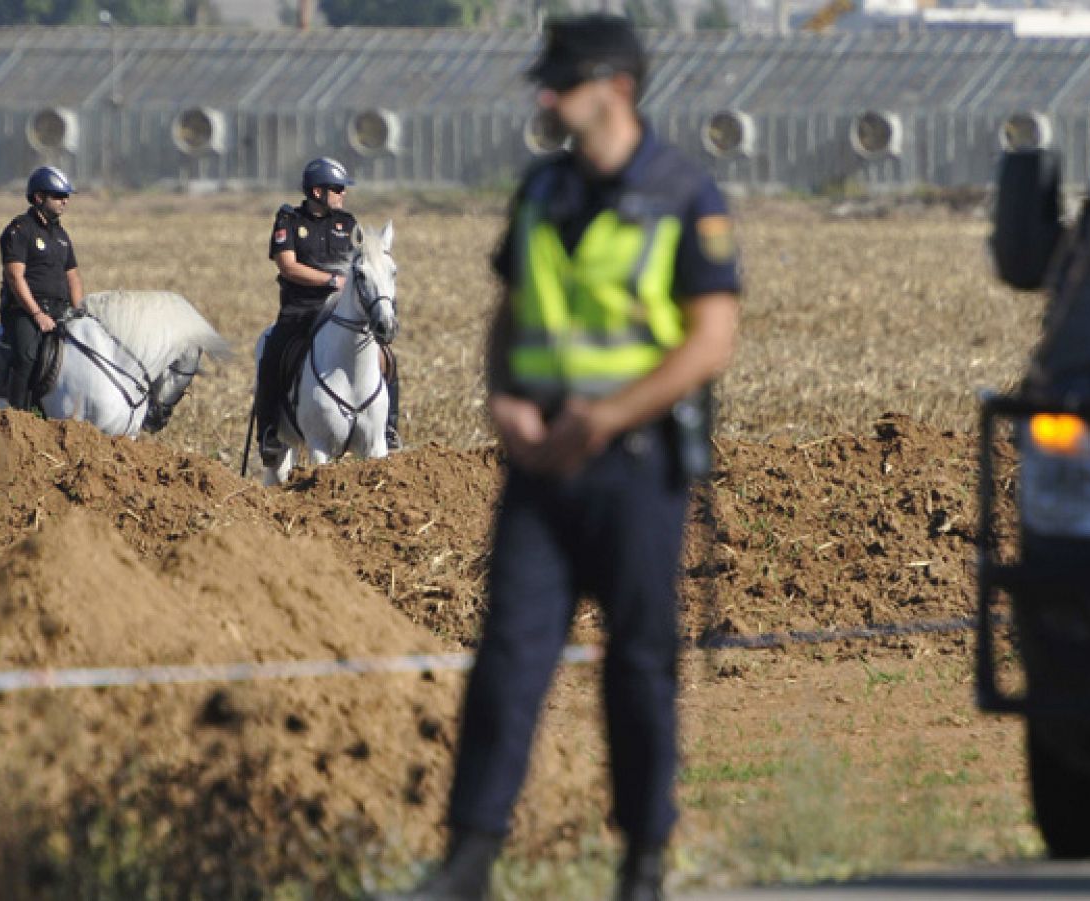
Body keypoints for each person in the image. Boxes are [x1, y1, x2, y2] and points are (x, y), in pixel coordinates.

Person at [379, 15, 740, 901]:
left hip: (637, 468)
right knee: (508, 654)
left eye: (562, 83)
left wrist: (609, 415)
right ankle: (468, 858)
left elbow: (710, 340)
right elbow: (510, 312)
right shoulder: (542, 191)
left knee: (640, 663)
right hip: (540, 467)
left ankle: (643, 860)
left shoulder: (685, 195)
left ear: (614, 88)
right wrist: (502, 396)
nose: (545, 97)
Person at [256, 156, 402, 463]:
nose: (343, 193)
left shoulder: (348, 224)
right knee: (273, 351)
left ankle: (389, 428)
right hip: (301, 310)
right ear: (318, 192)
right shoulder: (289, 221)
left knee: (387, 357)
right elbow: (288, 266)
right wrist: (331, 279)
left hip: (340, 309)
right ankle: (269, 431)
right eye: (337, 188)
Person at [0, 165, 83, 413]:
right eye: (58, 196)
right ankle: (16, 416)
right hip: (25, 312)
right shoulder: (20, 230)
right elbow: (15, 277)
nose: (65, 202)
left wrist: (79, 312)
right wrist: (37, 315)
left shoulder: (61, 235)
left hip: (60, 310)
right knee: (27, 356)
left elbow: (73, 277)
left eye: (66, 196)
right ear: (39, 198)